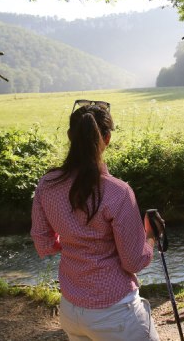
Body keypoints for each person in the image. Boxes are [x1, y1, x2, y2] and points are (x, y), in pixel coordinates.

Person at [31, 99, 162, 341]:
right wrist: (150, 236)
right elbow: (133, 262)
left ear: (70, 136)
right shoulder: (118, 192)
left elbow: (43, 243)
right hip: (116, 312)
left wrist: (72, 238)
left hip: (71, 310)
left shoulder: (47, 184)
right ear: (107, 138)